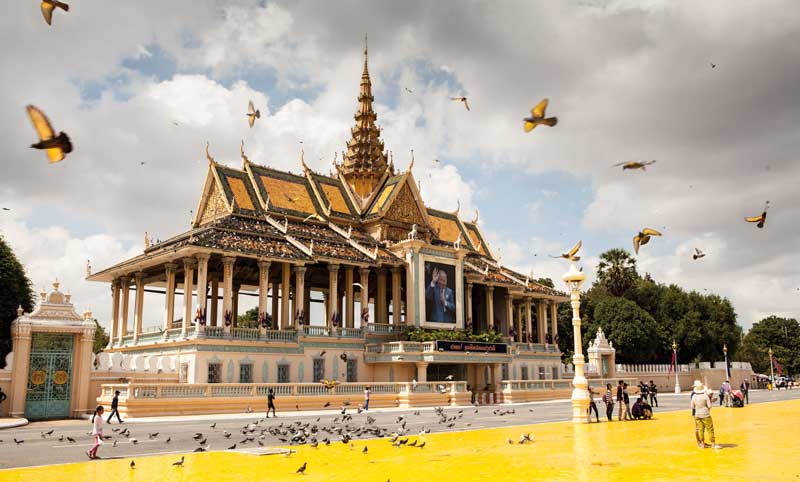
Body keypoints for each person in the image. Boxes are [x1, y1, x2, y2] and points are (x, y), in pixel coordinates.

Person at [690, 380, 720, 449]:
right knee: (710, 429)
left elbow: (692, 406)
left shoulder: (694, 396)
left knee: (700, 429)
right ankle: (713, 444)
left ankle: (702, 444)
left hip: (697, 414)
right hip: (705, 414)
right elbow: (709, 406)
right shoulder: (705, 396)